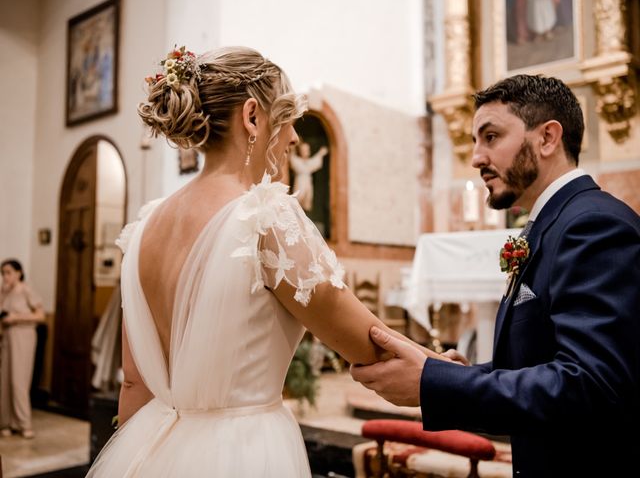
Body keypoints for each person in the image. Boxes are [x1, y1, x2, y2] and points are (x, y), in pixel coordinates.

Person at [86, 45, 446, 477]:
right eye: (287, 116)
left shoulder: (144, 226)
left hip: (152, 449)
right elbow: (367, 342)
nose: (294, 137)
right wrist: (448, 373)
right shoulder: (264, 215)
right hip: (241, 452)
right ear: (253, 116)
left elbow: (133, 382)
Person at [351, 74, 640, 477]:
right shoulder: (550, 224)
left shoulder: (592, 225)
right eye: (475, 140)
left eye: (491, 137)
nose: (475, 158)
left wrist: (432, 384)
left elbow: (589, 385)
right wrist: (451, 375)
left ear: (547, 138)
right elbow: (542, 359)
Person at [0, 259, 45, 439]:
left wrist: (16, 317)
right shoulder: (4, 291)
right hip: (7, 338)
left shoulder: (26, 290)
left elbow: (41, 316)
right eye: (3, 273)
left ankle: (23, 423)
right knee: (5, 380)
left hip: (23, 336)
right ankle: (6, 422)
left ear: (19, 273)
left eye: (9, 272)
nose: (5, 276)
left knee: (19, 379)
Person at [289, 140, 328, 211]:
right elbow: (301, 167)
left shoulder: (309, 163)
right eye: (304, 150)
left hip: (307, 184)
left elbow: (313, 163)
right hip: (300, 183)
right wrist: (292, 150)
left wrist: (320, 153)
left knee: (306, 203)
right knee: (297, 202)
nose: (306, 151)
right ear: (300, 151)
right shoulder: (297, 161)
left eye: (307, 150)